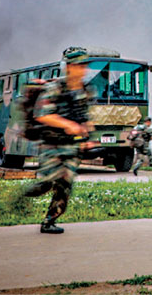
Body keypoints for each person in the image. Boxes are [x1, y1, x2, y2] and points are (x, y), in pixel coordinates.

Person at [21, 48, 94, 234]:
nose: (83, 69)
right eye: (79, 65)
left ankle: (49, 221)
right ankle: (22, 197)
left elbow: (85, 116)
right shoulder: (55, 88)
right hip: (52, 145)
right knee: (46, 183)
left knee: (64, 186)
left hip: (72, 146)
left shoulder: (85, 90)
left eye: (84, 65)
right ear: (69, 67)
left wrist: (88, 136)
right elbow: (42, 114)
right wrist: (67, 124)